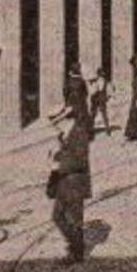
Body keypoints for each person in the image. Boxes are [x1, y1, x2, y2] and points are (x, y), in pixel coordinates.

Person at [47, 101, 92, 263]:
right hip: (63, 182)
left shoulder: (79, 132)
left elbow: (81, 161)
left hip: (75, 182)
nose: (54, 127)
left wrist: (59, 164)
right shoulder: (62, 135)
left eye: (55, 123)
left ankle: (77, 252)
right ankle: (74, 246)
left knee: (74, 219)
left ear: (63, 119)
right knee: (57, 216)